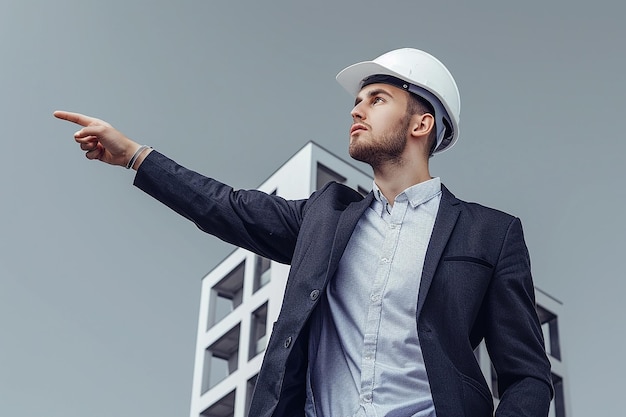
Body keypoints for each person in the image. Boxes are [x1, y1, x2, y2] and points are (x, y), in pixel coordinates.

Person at [55, 48, 553, 417]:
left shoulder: (492, 234)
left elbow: (527, 377)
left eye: (376, 99)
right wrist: (135, 156)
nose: (356, 110)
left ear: (422, 123)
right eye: (356, 101)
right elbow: (226, 206)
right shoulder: (325, 217)